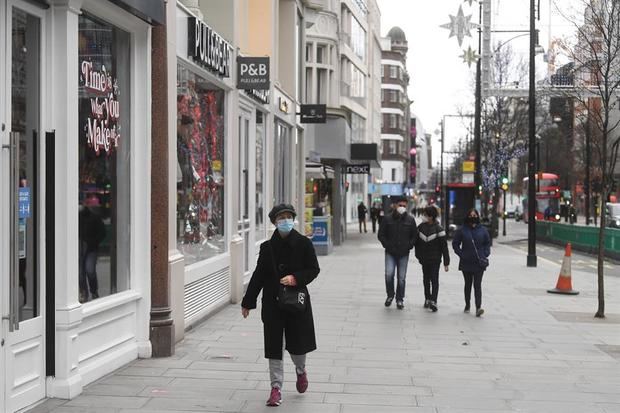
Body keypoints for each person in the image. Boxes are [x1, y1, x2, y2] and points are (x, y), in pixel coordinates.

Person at [241, 203, 320, 407]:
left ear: (293, 219)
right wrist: (248, 301)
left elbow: (313, 269)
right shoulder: (267, 248)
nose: (285, 221)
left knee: (297, 345)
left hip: (296, 303)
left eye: (288, 217)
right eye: (281, 218)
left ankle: (301, 371)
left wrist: (296, 278)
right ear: (274, 222)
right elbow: (258, 276)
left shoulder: (304, 244)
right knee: (274, 346)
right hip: (273, 304)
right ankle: (276, 388)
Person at [378, 196, 418, 309]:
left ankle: (400, 299)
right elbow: (381, 234)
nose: (402, 208)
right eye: (400, 205)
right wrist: (387, 245)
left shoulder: (410, 220)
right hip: (390, 252)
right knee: (389, 274)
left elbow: (414, 236)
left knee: (401, 277)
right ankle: (390, 295)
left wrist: (409, 246)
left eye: (404, 206)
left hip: (403, 253)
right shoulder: (387, 219)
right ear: (395, 206)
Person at [452, 208, 491, 317]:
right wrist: (461, 254)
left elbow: (487, 243)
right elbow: (455, 244)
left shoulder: (483, 230)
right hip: (466, 262)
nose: (473, 217)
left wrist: (485, 253)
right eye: (471, 215)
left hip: (479, 262)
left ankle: (478, 307)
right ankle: (467, 304)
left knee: (477, 285)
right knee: (468, 284)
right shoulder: (462, 230)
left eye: (475, 215)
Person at [415, 206, 450, 312]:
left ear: (431, 216)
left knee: (434, 279)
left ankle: (434, 301)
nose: (423, 217)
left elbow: (444, 247)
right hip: (424, 259)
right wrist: (418, 256)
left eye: (425, 215)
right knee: (426, 279)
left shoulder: (439, 229)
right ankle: (427, 298)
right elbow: (417, 243)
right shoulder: (420, 227)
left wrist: (446, 262)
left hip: (435, 259)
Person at [79, 205, 106, 303]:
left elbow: (102, 232)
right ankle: (83, 292)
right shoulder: (75, 218)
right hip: (78, 248)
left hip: (91, 249)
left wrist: (93, 242)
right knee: (80, 273)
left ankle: (94, 291)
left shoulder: (94, 217)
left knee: (90, 270)